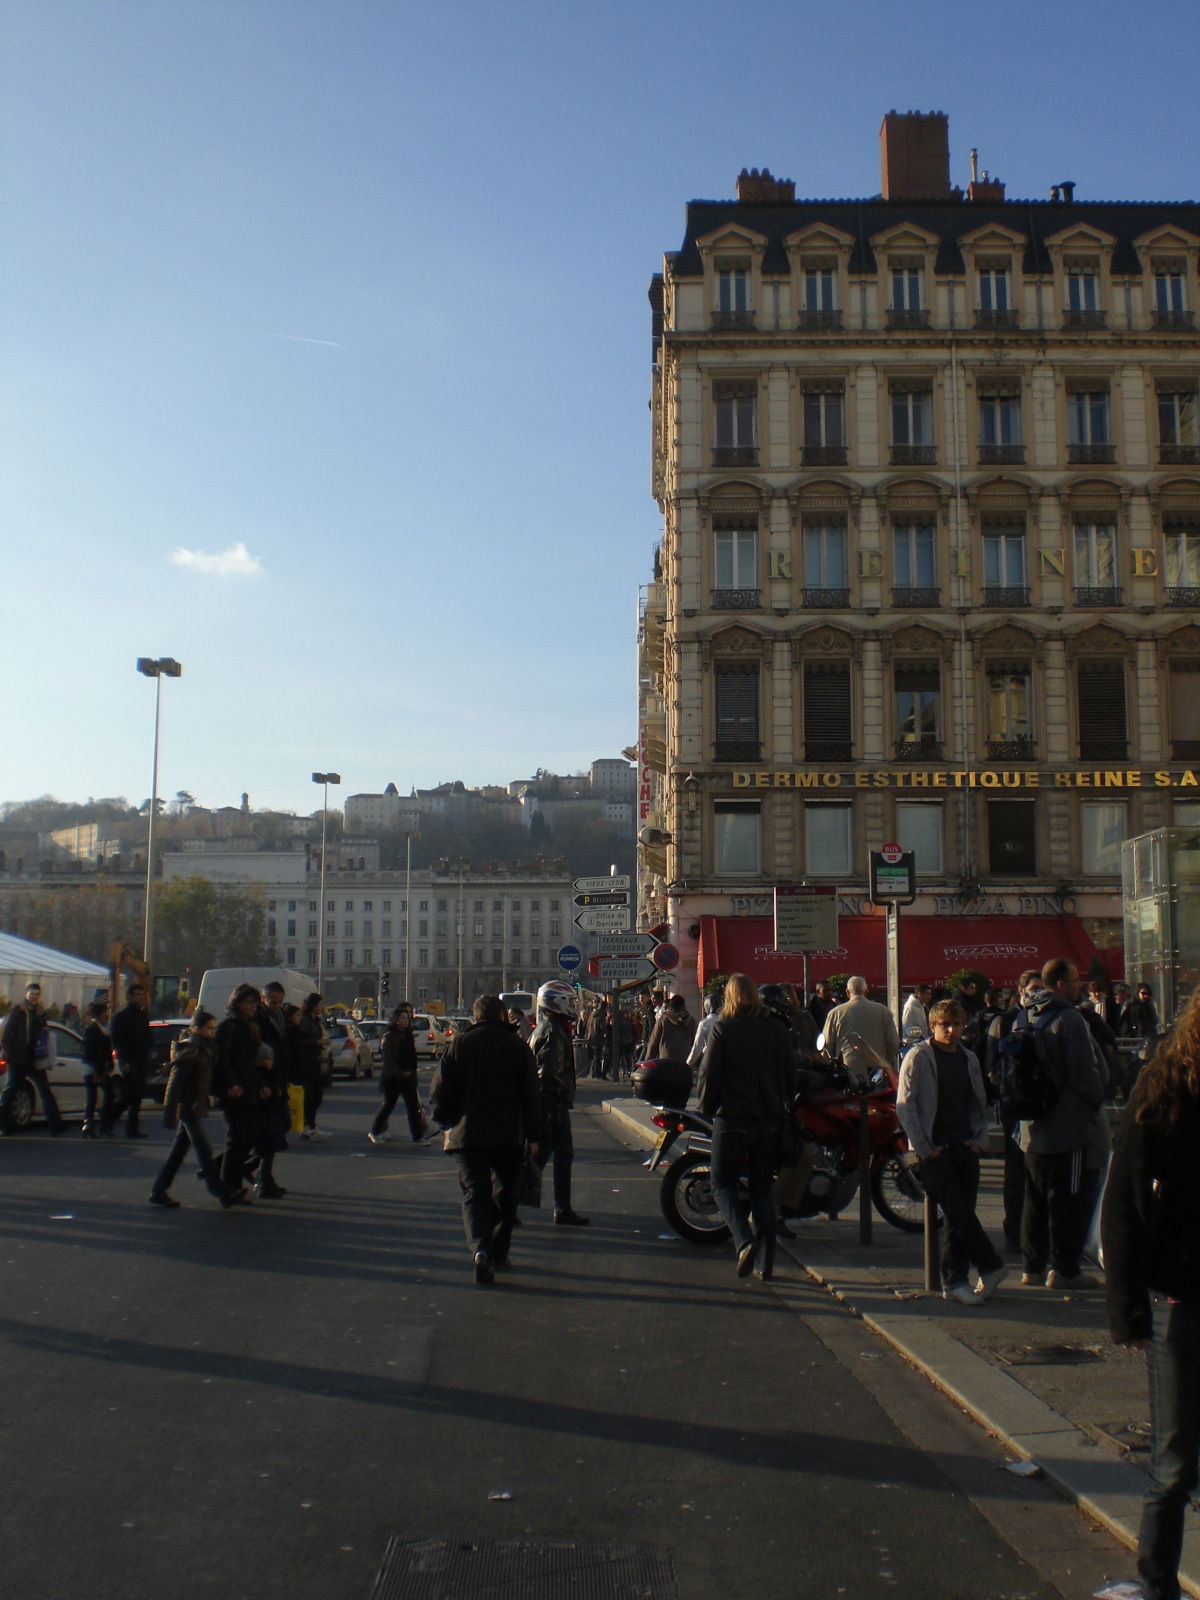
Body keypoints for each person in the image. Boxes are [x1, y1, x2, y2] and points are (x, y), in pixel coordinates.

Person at [1102, 986, 1200, 1600]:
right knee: (1175, 1462)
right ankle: (1157, 1583)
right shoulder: (1166, 1084)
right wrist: (1127, 1307)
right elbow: (1124, 1201)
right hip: (1182, 1299)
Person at [897, 998, 1008, 1305]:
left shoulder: (969, 1058)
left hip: (965, 1145)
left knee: (962, 1218)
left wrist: (979, 1140)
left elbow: (978, 1102)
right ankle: (990, 1266)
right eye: (945, 1024)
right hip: (935, 1149)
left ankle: (956, 1281)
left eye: (956, 1024)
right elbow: (905, 1105)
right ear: (932, 1026)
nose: (951, 1030)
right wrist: (923, 1148)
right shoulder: (919, 1056)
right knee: (957, 1212)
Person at [430, 993, 542, 1283]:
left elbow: (441, 1091)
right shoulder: (518, 1047)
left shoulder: (460, 1044)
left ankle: (480, 1248)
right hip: (508, 1134)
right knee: (506, 1194)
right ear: (503, 1015)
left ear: (475, 1016)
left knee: (474, 1193)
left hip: (467, 1134)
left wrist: (445, 1119)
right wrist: (534, 1135)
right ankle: (499, 1251)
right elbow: (531, 1096)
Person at [1016, 958, 1107, 1291]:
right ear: (1061, 985)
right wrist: (1098, 1100)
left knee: (1035, 1199)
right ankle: (1065, 1269)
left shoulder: (1024, 1016)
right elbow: (1085, 1074)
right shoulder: (1070, 1019)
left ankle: (1032, 1267)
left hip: (1031, 1126)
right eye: (1075, 979)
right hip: (1067, 1126)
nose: (1080, 984)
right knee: (1067, 1200)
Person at [699, 972, 795, 1281]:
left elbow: (709, 1075)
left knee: (722, 1183)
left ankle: (743, 1241)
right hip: (767, 1120)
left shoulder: (722, 1029)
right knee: (762, 1190)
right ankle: (766, 1264)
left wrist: (705, 1108)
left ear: (728, 997)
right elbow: (790, 1076)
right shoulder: (777, 1031)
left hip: (731, 1118)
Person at [150, 1012, 241, 1208]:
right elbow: (174, 1085)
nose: (213, 1032)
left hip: (195, 1105)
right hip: (188, 1106)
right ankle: (221, 1192)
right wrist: (170, 1113)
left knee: (179, 1151)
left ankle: (158, 1191)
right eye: (209, 1028)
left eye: (214, 1028)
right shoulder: (191, 1051)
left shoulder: (207, 1049)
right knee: (203, 1149)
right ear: (196, 1029)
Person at [984, 969, 1041, 1254]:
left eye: (1041, 988)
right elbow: (991, 1066)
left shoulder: (1044, 1018)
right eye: (1032, 988)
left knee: (1038, 1172)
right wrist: (1007, 1093)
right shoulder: (1003, 1022)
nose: (1037, 993)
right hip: (1014, 1106)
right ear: (1020, 991)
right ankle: (1014, 1230)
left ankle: (1034, 1231)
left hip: (1039, 1105)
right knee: (1017, 1172)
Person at [529, 979, 589, 1225]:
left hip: (552, 1102)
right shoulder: (553, 1032)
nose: (573, 1006)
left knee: (556, 1155)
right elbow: (548, 1073)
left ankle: (561, 1208)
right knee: (545, 1157)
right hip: (551, 1104)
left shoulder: (553, 1027)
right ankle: (506, 1202)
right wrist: (553, 1107)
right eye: (570, 1001)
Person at [213, 984, 272, 1200]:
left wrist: (260, 1084)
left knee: (250, 1137)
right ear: (237, 1003)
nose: (253, 1007)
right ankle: (230, 1186)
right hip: (234, 1092)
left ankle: (224, 1174)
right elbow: (223, 1060)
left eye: (255, 1003)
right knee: (237, 1139)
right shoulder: (228, 1026)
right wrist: (231, 1083)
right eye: (249, 1003)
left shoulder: (250, 1026)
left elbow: (249, 1063)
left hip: (248, 1089)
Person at [0, 981, 64, 1135]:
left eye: (37, 994)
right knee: (10, 1093)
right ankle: (3, 1125)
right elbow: (6, 1036)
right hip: (18, 1060)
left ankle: (56, 1127)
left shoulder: (40, 1013)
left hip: (35, 1059)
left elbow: (42, 1034)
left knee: (45, 1092)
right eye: (31, 994)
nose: (34, 997)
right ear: (25, 995)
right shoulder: (17, 1012)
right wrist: (11, 1056)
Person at [821, 976, 900, 1086]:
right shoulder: (883, 1011)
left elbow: (827, 1046)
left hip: (848, 1073)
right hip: (878, 1073)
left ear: (847, 992)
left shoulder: (835, 1013)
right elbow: (893, 1043)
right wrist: (884, 1060)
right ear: (866, 991)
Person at [369, 1003, 428, 1144]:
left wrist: (412, 1074)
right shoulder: (390, 1036)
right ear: (396, 1020)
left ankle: (417, 1137)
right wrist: (400, 1073)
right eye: (402, 1018)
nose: (405, 1020)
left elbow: (411, 1056)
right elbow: (388, 1061)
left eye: (407, 1018)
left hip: (408, 1077)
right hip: (393, 1078)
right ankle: (375, 1131)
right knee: (389, 1105)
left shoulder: (407, 1035)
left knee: (413, 1107)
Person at [105, 981, 152, 1138]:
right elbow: (118, 1041)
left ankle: (132, 1129)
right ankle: (110, 1119)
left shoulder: (143, 1016)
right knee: (130, 1095)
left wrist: (148, 1055)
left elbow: (147, 1037)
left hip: (142, 1060)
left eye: (141, 995)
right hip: (129, 1061)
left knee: (137, 1097)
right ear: (129, 997)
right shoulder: (121, 1017)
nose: (139, 998)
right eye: (136, 995)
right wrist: (124, 1061)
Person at [292, 992, 331, 1140]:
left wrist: (322, 1042)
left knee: (317, 1095)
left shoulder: (315, 1021)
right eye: (320, 1004)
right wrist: (316, 1043)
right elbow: (298, 1042)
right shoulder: (305, 1021)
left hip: (315, 1061)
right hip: (304, 1063)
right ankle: (307, 1126)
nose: (322, 1007)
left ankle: (311, 1125)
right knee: (309, 1096)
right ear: (313, 1005)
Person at [81, 999, 115, 1138]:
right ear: (100, 1014)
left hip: (99, 1066)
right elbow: (92, 1052)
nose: (107, 1014)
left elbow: (106, 1050)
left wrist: (109, 1064)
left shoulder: (102, 1028)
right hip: (92, 1067)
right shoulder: (92, 1029)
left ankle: (92, 1124)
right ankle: (96, 1124)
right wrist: (98, 1069)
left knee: (96, 1095)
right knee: (101, 1094)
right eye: (105, 1012)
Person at [645, 993, 697, 1062]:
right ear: (684, 1006)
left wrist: (647, 1061)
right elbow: (696, 1042)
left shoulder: (663, 1019)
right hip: (685, 1060)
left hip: (666, 1060)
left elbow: (654, 1041)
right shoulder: (691, 1021)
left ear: (670, 1006)